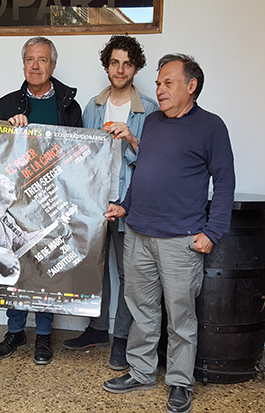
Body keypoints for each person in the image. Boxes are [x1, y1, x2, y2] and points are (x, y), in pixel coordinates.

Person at [102, 54, 235, 413]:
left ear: (191, 87)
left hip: (181, 239)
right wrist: (125, 206)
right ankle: (142, 371)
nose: (158, 90)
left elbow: (224, 183)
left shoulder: (211, 126)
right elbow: (143, 172)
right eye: (158, 83)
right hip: (138, 234)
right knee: (142, 311)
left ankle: (179, 382)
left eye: (167, 83)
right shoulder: (154, 123)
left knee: (180, 318)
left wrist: (213, 231)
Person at [0, 36, 82, 365]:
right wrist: (5, 128)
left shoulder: (68, 105)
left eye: (42, 60)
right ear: (23, 64)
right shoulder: (7, 103)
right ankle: (14, 330)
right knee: (17, 262)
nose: (35, 66)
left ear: (53, 65)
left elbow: (79, 155)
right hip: (16, 198)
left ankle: (42, 335)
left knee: (44, 266)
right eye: (29, 59)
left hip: (52, 197)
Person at [62, 35, 158, 372]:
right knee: (95, 270)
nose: (120, 69)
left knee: (129, 274)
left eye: (127, 64)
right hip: (95, 203)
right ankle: (97, 330)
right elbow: (81, 157)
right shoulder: (93, 106)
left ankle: (123, 339)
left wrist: (131, 138)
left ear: (135, 68)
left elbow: (156, 162)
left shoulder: (149, 108)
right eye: (115, 62)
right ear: (107, 66)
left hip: (130, 203)